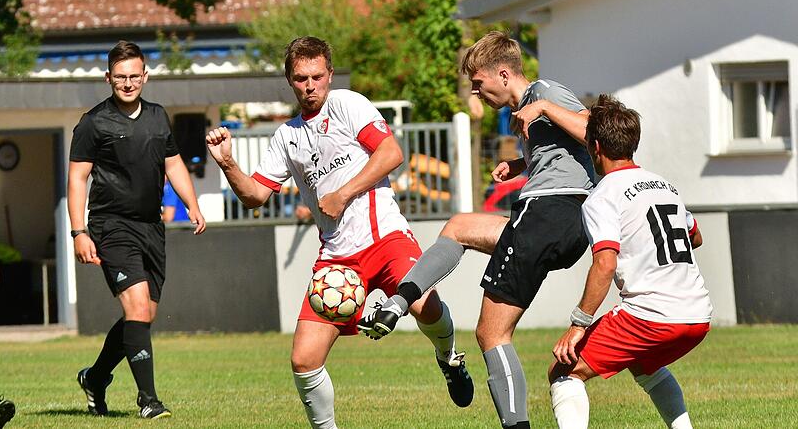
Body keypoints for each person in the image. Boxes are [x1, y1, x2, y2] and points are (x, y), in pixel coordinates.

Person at [205, 36, 473, 429]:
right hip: (337, 259)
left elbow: (391, 153)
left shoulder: (348, 104)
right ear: (289, 80)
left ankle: (448, 357)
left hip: (386, 239)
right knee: (304, 359)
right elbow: (255, 196)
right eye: (301, 78)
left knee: (423, 305)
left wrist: (343, 193)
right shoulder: (287, 137)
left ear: (329, 74)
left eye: (317, 76)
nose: (310, 85)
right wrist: (228, 163)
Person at [358, 31, 595, 429]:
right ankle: (401, 302)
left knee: (491, 333)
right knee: (459, 226)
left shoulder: (544, 92)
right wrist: (522, 167)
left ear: (503, 74)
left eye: (478, 83)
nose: (475, 93)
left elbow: (593, 131)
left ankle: (515, 425)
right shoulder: (529, 113)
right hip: (563, 220)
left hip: (547, 213)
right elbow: (568, 155)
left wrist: (545, 108)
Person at [548, 94, 711, 429]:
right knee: (644, 364)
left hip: (653, 316)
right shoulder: (666, 186)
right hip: (698, 313)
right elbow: (695, 237)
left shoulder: (603, 195)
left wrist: (578, 325)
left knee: (564, 370)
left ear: (594, 146)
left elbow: (605, 265)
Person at [67, 40, 206, 420]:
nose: (128, 84)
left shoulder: (160, 117)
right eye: (120, 77)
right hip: (111, 226)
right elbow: (78, 178)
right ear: (108, 78)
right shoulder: (93, 123)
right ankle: (148, 400)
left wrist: (192, 203)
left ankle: (95, 378)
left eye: (134, 76)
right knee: (138, 307)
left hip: (151, 227)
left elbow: (173, 164)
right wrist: (79, 231)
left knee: (142, 315)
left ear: (145, 76)